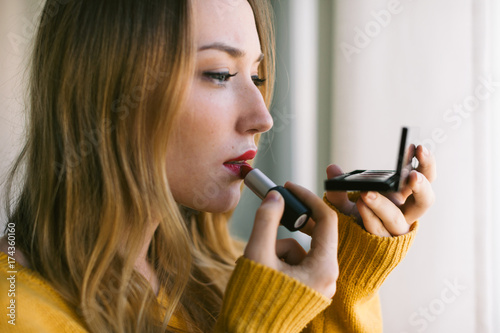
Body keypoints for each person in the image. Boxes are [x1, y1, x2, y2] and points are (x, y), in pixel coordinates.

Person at [0, 0, 436, 332]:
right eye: (220, 74)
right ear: (110, 91)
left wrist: (348, 281)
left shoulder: (229, 271)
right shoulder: (16, 309)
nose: (262, 117)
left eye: (257, 77)